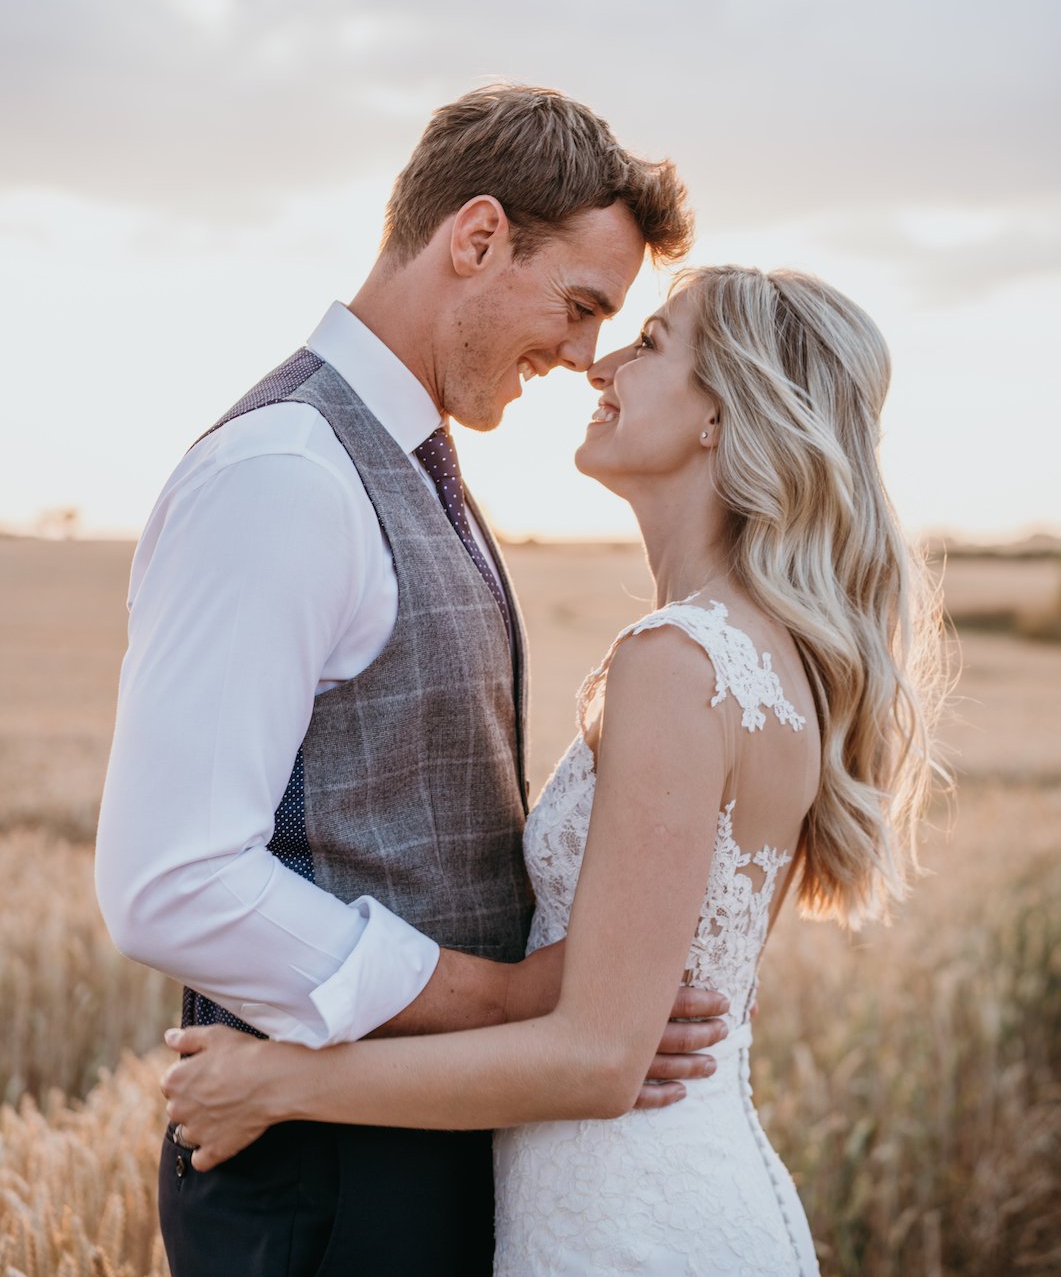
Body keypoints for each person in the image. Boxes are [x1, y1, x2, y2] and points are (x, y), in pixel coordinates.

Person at [162, 263, 945, 1276]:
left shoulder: (678, 662)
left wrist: (278, 1083)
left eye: (649, 342)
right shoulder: (763, 653)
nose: (599, 364)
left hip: (628, 1228)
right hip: (667, 1192)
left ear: (721, 414)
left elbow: (598, 1060)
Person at [96, 83, 731, 1277]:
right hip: (320, 1178)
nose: (582, 356)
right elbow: (171, 885)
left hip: (410, 1142)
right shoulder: (284, 473)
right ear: (477, 237)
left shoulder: (411, 458)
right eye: (579, 306)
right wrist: (503, 1001)